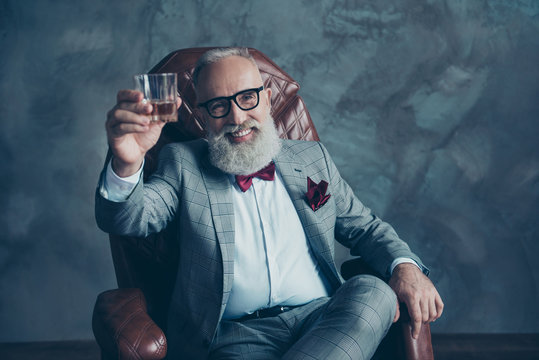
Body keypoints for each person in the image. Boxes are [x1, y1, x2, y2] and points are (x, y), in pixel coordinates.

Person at [96, 47, 443, 360]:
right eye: (218, 105)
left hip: (324, 319)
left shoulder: (312, 158)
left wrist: (405, 267)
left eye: (247, 97)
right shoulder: (182, 164)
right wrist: (126, 163)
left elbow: (364, 227)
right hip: (236, 338)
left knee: (375, 293)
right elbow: (131, 219)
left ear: (267, 99)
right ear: (203, 117)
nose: (236, 117)